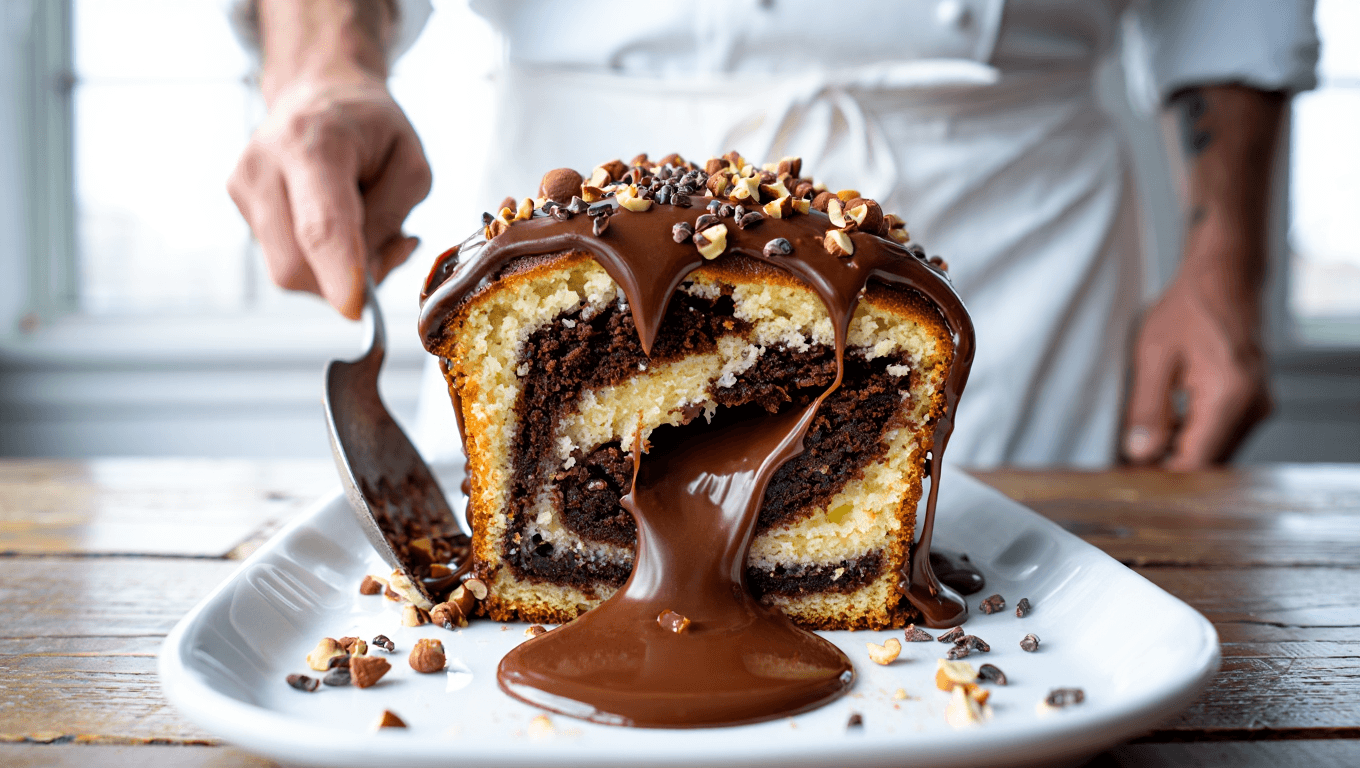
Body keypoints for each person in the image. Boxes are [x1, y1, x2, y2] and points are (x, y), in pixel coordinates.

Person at [226, 0, 1317, 469]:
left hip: (1010, 219)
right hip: (569, 204)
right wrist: (322, 66)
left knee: (1002, 620)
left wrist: (1222, 262)